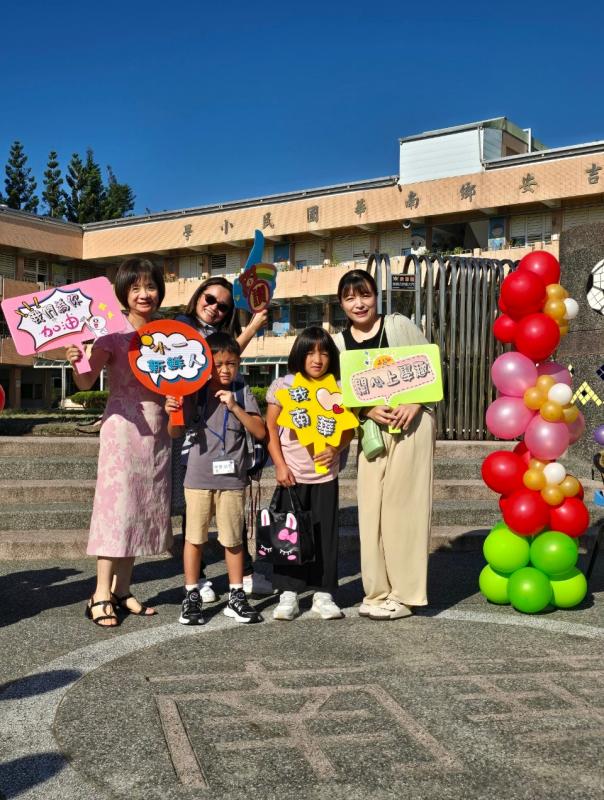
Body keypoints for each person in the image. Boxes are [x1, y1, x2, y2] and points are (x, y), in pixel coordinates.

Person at [66, 258, 173, 628]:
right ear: (123, 293)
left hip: (157, 429)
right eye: (135, 287)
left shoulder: (168, 335)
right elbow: (85, 382)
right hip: (122, 429)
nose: (144, 294)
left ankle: (123, 590)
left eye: (151, 286)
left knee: (142, 508)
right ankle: (100, 593)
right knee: (117, 509)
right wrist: (77, 359)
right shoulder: (110, 331)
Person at [332, 269, 436, 620]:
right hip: (371, 433)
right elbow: (334, 393)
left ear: (376, 296)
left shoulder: (397, 326)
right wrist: (365, 409)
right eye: (350, 297)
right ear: (341, 304)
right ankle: (376, 592)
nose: (359, 304)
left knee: (404, 508)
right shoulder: (338, 343)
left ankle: (405, 595)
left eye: (365, 295)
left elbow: (430, 366)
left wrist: (415, 403)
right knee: (371, 510)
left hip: (411, 426)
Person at [172, 276, 272, 599]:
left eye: (224, 306)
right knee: (194, 515)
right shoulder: (182, 326)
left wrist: (251, 326)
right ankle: (197, 580)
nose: (215, 307)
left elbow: (226, 357)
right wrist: (252, 328)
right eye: (210, 299)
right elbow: (203, 366)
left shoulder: (224, 345)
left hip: (227, 436)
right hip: (194, 425)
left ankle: (242, 575)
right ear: (198, 295)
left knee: (231, 515)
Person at [166, 332, 266, 625]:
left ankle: (236, 596)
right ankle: (191, 594)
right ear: (205, 364)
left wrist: (235, 406)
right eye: (218, 363)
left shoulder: (241, 390)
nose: (224, 369)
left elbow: (260, 431)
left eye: (231, 363)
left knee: (233, 540)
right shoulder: (192, 390)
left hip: (232, 480)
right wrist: (172, 412)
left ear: (238, 364)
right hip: (197, 478)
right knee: (194, 539)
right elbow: (175, 433)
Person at [265, 326, 355, 621]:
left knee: (324, 535)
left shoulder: (338, 387)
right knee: (288, 535)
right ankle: (288, 593)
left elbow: (349, 429)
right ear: (299, 355)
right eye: (311, 352)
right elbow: (270, 429)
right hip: (291, 476)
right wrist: (279, 465)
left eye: (324, 353)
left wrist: (336, 449)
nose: (318, 359)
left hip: (325, 476)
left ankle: (323, 594)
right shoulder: (284, 385)